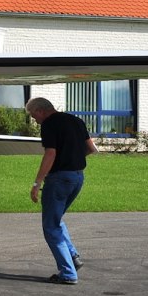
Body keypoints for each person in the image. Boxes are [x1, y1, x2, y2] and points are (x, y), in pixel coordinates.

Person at [26, 96, 98, 285]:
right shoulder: (76, 120)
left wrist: (37, 183)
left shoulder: (49, 124)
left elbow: (50, 153)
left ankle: (68, 273)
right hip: (77, 177)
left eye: (34, 116)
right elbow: (91, 148)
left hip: (58, 179)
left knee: (50, 226)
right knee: (56, 219)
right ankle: (73, 256)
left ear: (41, 111)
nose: (35, 120)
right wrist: (72, 156)